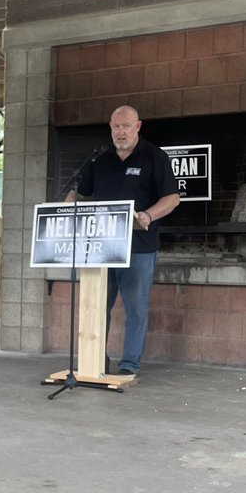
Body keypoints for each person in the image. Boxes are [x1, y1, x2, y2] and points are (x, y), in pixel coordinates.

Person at [67, 105, 179, 375]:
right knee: (97, 305)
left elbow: (172, 198)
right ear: (110, 127)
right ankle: (95, 361)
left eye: (126, 126)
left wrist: (148, 216)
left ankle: (129, 365)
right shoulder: (100, 159)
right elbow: (77, 193)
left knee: (135, 308)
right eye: (116, 127)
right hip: (101, 247)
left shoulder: (154, 157)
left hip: (138, 246)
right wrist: (68, 209)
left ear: (138, 126)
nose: (121, 131)